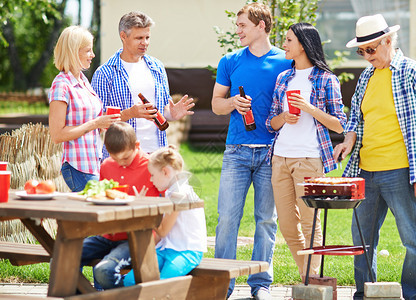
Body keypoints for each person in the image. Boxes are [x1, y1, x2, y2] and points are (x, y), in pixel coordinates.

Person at [333, 14, 416, 300]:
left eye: (371, 49)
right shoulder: (366, 77)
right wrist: (347, 142)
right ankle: (365, 294)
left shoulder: (412, 72)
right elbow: (355, 120)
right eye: (361, 51)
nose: (367, 56)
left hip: (400, 171)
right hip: (365, 172)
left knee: (413, 240)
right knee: (362, 242)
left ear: (388, 41)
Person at [211, 3, 292, 299]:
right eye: (237, 25)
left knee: (266, 220)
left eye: (243, 25)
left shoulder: (286, 61)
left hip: (273, 153)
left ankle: (261, 285)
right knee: (228, 219)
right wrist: (233, 102)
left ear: (261, 26)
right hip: (237, 152)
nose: (238, 31)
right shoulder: (230, 61)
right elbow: (216, 104)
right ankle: (222, 284)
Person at [266, 23, 346, 280]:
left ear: (303, 44)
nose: (284, 45)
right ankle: (310, 280)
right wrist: (284, 116)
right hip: (280, 158)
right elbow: (270, 123)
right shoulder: (283, 78)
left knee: (311, 225)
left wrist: (310, 108)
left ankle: (311, 285)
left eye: (288, 40)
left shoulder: (326, 79)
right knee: (289, 226)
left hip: (310, 160)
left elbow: (339, 124)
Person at [91, 11, 194, 158]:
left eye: (147, 37)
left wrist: (172, 114)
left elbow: (161, 112)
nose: (144, 42)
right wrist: (130, 113)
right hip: (122, 156)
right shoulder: (105, 73)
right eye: (139, 38)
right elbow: (97, 120)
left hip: (156, 154)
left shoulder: (157, 67)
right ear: (123, 36)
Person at [80, 121, 160, 290]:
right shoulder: (107, 165)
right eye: (115, 158)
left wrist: (143, 204)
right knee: (60, 258)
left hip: (137, 238)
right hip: (107, 236)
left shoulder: (151, 167)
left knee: (103, 271)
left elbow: (167, 207)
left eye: (125, 158)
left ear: (137, 146)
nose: (121, 163)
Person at [122, 145, 207, 286]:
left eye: (153, 175)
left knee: (161, 285)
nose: (150, 180)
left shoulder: (180, 194)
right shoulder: (171, 192)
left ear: (165, 172)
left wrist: (144, 209)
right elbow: (161, 235)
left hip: (187, 251)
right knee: (130, 280)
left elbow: (162, 230)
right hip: (166, 248)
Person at [48, 26, 120, 192]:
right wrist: (95, 123)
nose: (92, 55)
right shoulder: (61, 85)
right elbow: (57, 135)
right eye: (88, 50)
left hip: (93, 163)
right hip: (77, 166)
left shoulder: (83, 81)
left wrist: (102, 124)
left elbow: (87, 122)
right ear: (74, 52)